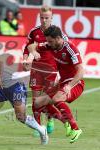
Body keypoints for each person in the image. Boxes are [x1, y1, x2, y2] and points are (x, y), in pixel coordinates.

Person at [31, 25, 84, 143]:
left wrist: (69, 86)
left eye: (50, 41)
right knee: (38, 103)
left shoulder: (70, 48)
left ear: (58, 38)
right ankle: (66, 123)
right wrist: (34, 52)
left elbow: (81, 71)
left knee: (56, 98)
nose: (48, 43)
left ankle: (76, 129)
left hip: (75, 83)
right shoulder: (50, 45)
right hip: (61, 82)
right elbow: (32, 46)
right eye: (47, 41)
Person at [23, 5, 65, 137]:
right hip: (36, 69)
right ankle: (37, 126)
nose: (44, 20)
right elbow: (27, 48)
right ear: (39, 17)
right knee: (35, 100)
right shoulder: (34, 32)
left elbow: (64, 49)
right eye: (42, 17)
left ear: (51, 18)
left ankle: (50, 120)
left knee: (46, 99)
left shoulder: (58, 33)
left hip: (51, 70)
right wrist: (26, 60)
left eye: (47, 18)